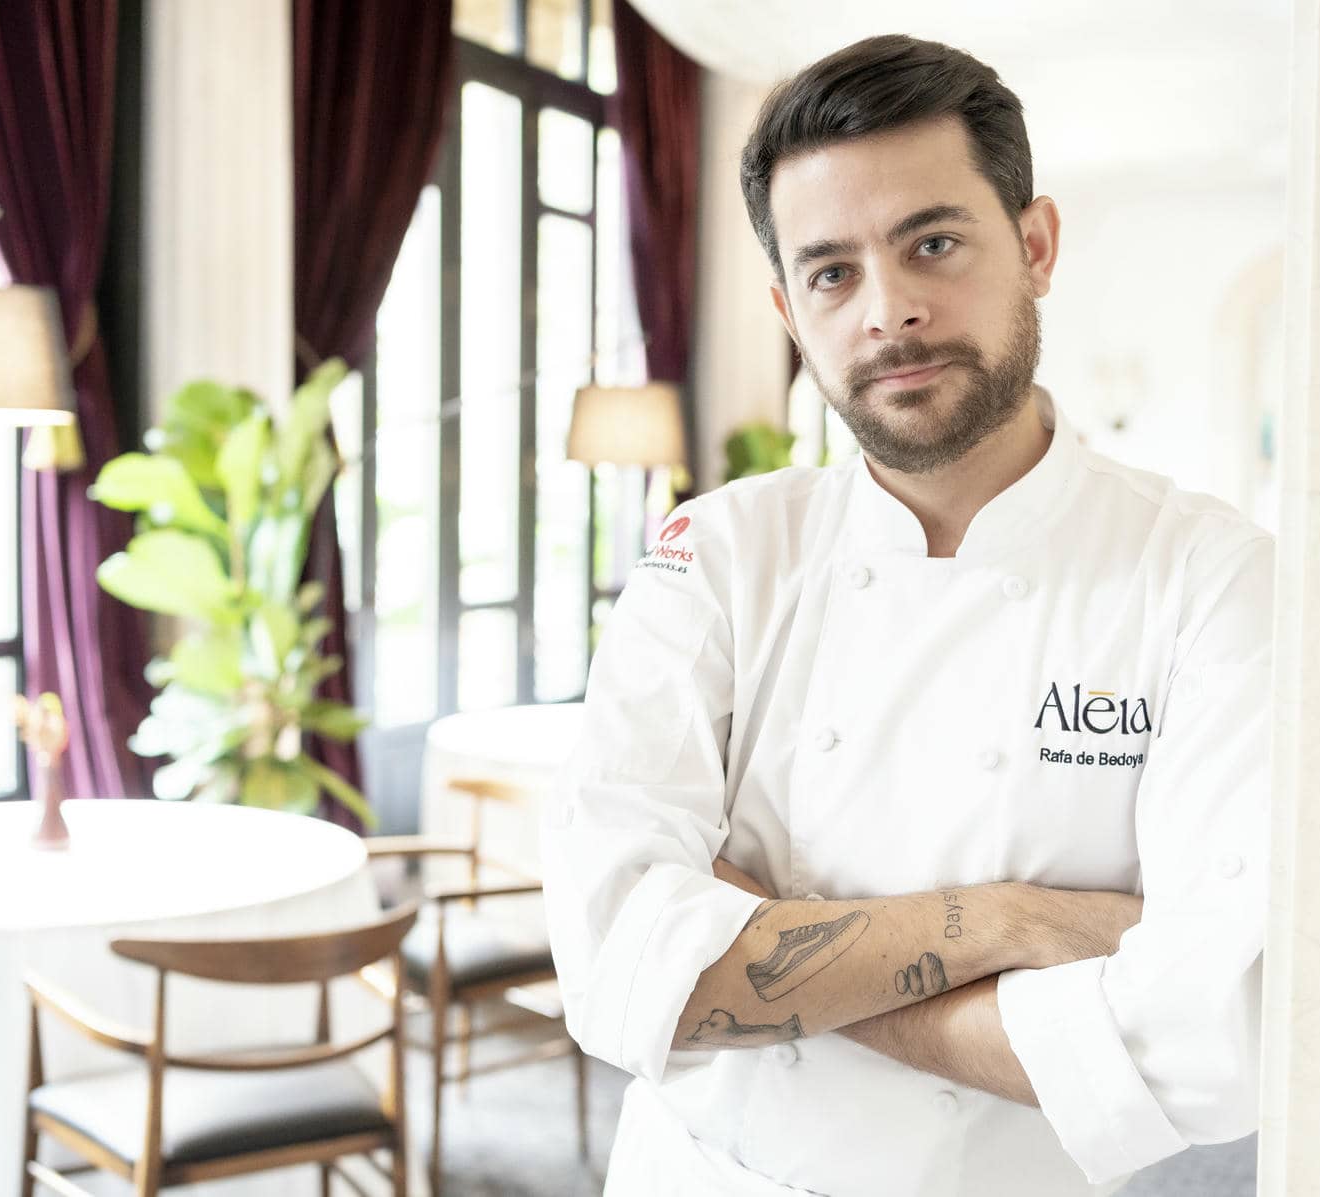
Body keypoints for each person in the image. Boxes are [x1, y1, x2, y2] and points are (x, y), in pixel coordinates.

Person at [539, 32, 1274, 1197]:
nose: (888, 312)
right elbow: (613, 966)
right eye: (831, 271)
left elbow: (1210, 1040)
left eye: (932, 243)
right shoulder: (717, 553)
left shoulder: (1207, 572)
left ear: (1034, 246)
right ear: (788, 308)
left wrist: (753, 949)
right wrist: (1012, 922)